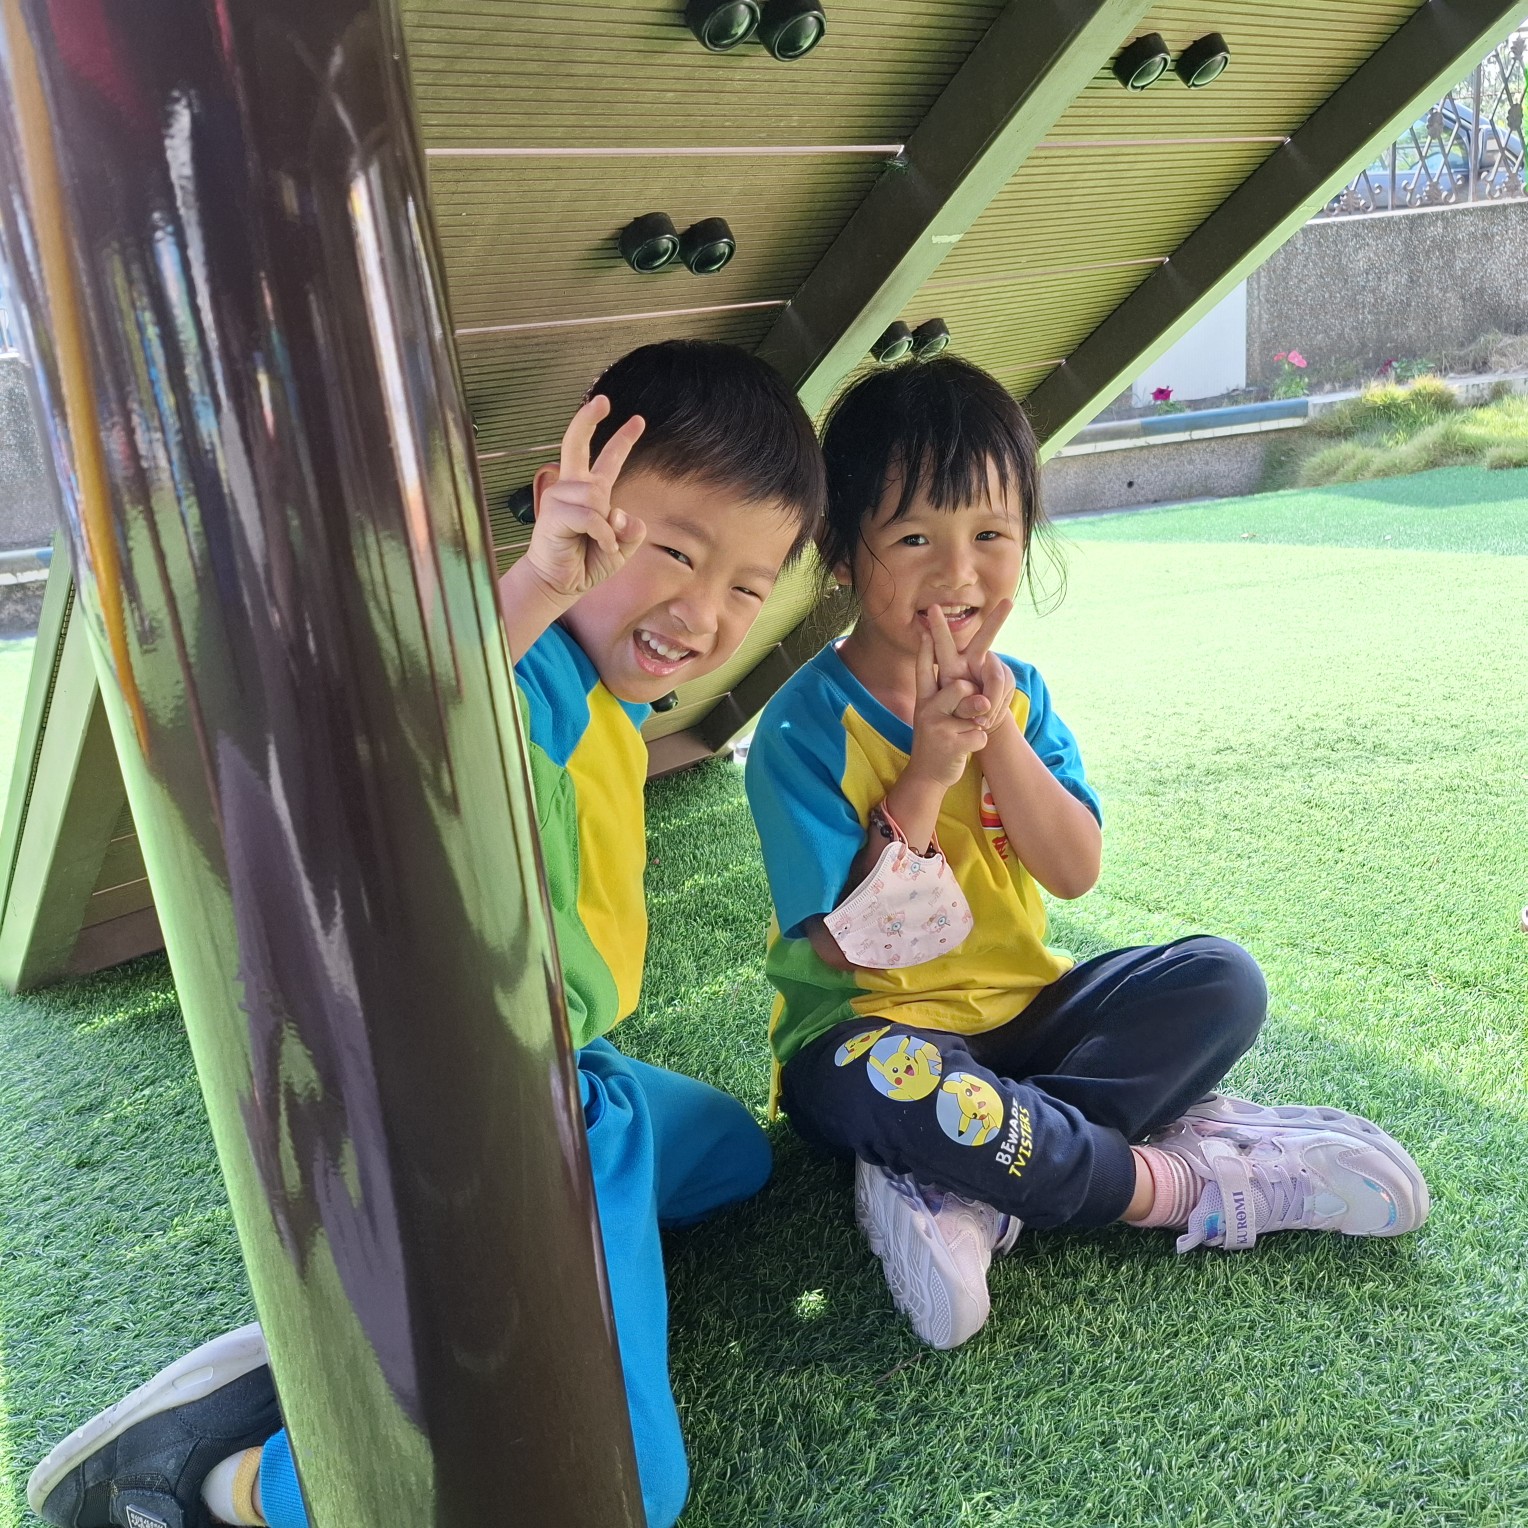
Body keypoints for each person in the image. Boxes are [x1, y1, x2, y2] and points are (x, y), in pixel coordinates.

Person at [27, 340, 826, 1528]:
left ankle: (448, 1308)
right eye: (671, 550)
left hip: (577, 1067)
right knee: (632, 1490)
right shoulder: (524, 676)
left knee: (731, 1160)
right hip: (500, 1123)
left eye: (748, 586)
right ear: (573, 510)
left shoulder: (608, 698)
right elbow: (404, 721)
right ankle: (219, 1478)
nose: (703, 613)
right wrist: (537, 587)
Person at [742, 354, 1430, 1351]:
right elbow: (854, 947)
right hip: (869, 1033)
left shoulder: (1020, 695)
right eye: (914, 537)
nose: (959, 573)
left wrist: (997, 736)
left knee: (1220, 980)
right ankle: (1177, 1180)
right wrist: (929, 768)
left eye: (989, 535)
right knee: (861, 1082)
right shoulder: (800, 729)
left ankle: (967, 1176)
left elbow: (1072, 871)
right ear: (841, 553)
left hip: (1030, 1017)